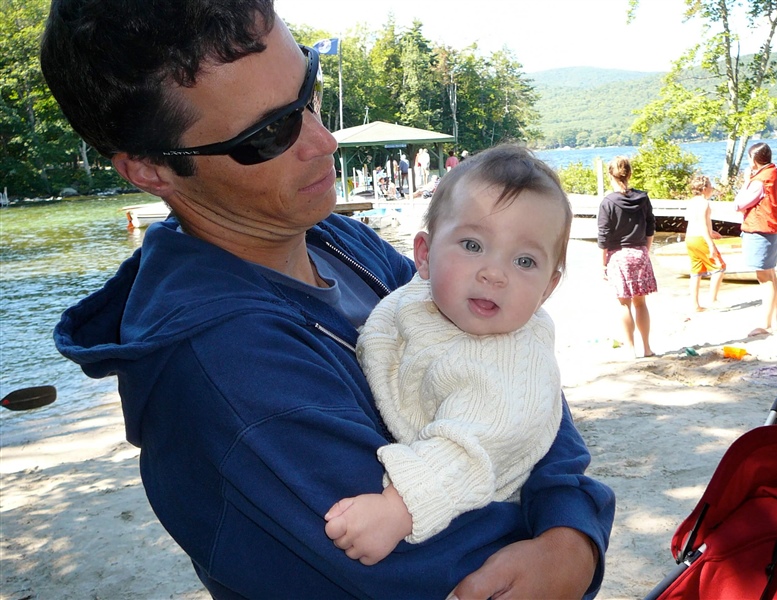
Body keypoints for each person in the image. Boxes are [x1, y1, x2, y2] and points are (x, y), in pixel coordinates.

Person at [42, 1, 613, 598]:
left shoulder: (336, 238)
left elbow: (515, 373)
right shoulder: (225, 371)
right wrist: (568, 538)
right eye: (267, 134)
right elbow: (440, 568)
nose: (323, 139)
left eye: (307, 91)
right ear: (151, 170)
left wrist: (569, 530)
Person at [325, 145, 569, 564]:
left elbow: (469, 452)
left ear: (547, 288)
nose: (494, 273)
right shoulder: (422, 294)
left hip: (470, 512)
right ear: (424, 255)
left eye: (525, 260)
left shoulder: (513, 366)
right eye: (472, 245)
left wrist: (399, 508)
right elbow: (386, 330)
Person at [597, 156, 657, 359]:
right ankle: (647, 348)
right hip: (640, 253)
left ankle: (631, 349)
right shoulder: (643, 198)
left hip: (618, 256)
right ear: (630, 173)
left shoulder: (608, 202)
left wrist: (602, 265)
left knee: (624, 304)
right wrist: (645, 250)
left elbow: (603, 237)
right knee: (641, 303)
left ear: (610, 175)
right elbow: (650, 227)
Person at [734, 142, 777, 336]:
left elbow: (738, 204)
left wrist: (746, 181)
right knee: (771, 276)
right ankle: (774, 322)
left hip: (761, 231)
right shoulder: (776, 174)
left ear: (753, 160)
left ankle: (766, 325)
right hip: (773, 230)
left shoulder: (759, 181)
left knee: (764, 278)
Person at [685, 174, 726, 312]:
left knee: (696, 271)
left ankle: (695, 304)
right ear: (704, 189)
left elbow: (693, 221)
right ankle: (713, 299)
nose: (712, 189)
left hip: (690, 238)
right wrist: (710, 243)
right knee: (719, 267)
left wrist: (711, 231)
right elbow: (702, 223)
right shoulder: (704, 203)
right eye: (710, 186)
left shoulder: (691, 202)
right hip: (700, 238)